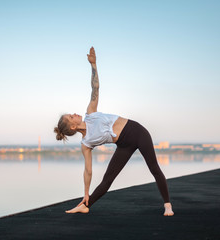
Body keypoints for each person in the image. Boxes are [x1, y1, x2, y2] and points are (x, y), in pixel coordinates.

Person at [54, 47, 174, 216]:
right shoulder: (85, 143)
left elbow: (95, 88)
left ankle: (167, 205)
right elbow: (88, 171)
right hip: (124, 145)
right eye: (71, 117)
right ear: (73, 127)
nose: (74, 114)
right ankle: (85, 204)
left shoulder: (91, 114)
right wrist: (86, 192)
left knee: (154, 168)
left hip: (137, 132)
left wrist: (93, 65)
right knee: (107, 180)